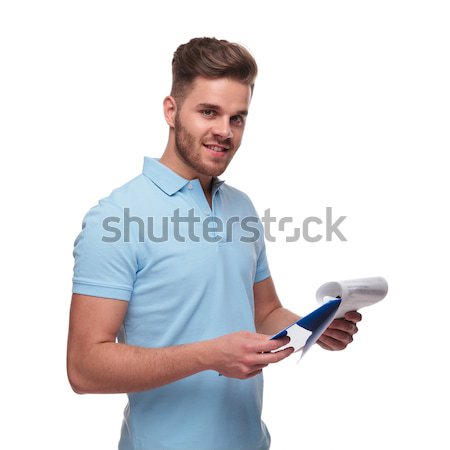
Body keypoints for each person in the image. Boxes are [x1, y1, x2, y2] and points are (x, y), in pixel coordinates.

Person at [67, 37, 361, 450]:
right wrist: (211, 355)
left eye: (237, 118)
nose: (225, 131)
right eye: (209, 112)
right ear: (171, 111)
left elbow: (266, 312)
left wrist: (315, 327)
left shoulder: (241, 207)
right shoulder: (115, 218)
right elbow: (84, 368)